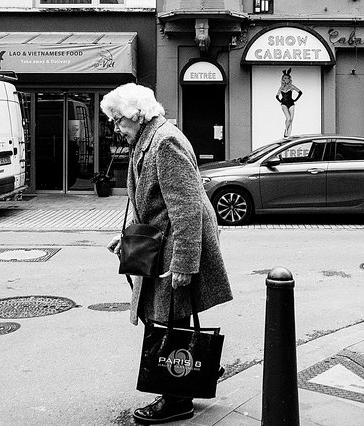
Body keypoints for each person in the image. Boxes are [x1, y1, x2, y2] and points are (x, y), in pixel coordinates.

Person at [101, 83, 233, 424]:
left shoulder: (165, 142)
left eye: (118, 120)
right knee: (161, 314)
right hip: (158, 242)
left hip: (176, 244)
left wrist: (185, 263)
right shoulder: (146, 140)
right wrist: (127, 237)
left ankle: (178, 397)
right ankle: (193, 371)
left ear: (137, 115)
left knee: (171, 316)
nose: (116, 126)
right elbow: (149, 200)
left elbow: (187, 207)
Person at [276, 68, 303, 137]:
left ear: (289, 79)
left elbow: (300, 92)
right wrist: (280, 101)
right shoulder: (281, 87)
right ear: (283, 79)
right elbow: (277, 96)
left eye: (288, 78)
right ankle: (286, 130)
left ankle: (288, 135)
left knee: (291, 120)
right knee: (288, 118)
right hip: (284, 104)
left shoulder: (291, 86)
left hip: (291, 104)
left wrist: (295, 99)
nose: (286, 79)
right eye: (285, 78)